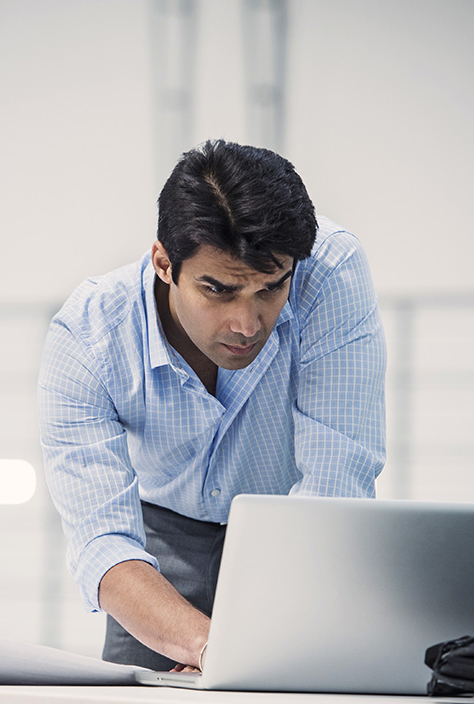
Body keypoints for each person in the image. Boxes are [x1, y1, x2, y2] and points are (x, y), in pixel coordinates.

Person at [37, 140, 386, 672]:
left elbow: (336, 481)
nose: (248, 325)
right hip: (160, 537)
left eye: (271, 288)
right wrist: (208, 645)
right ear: (164, 264)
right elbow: (104, 543)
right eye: (218, 290)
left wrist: (262, 643)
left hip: (293, 524)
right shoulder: (88, 340)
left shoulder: (330, 270)